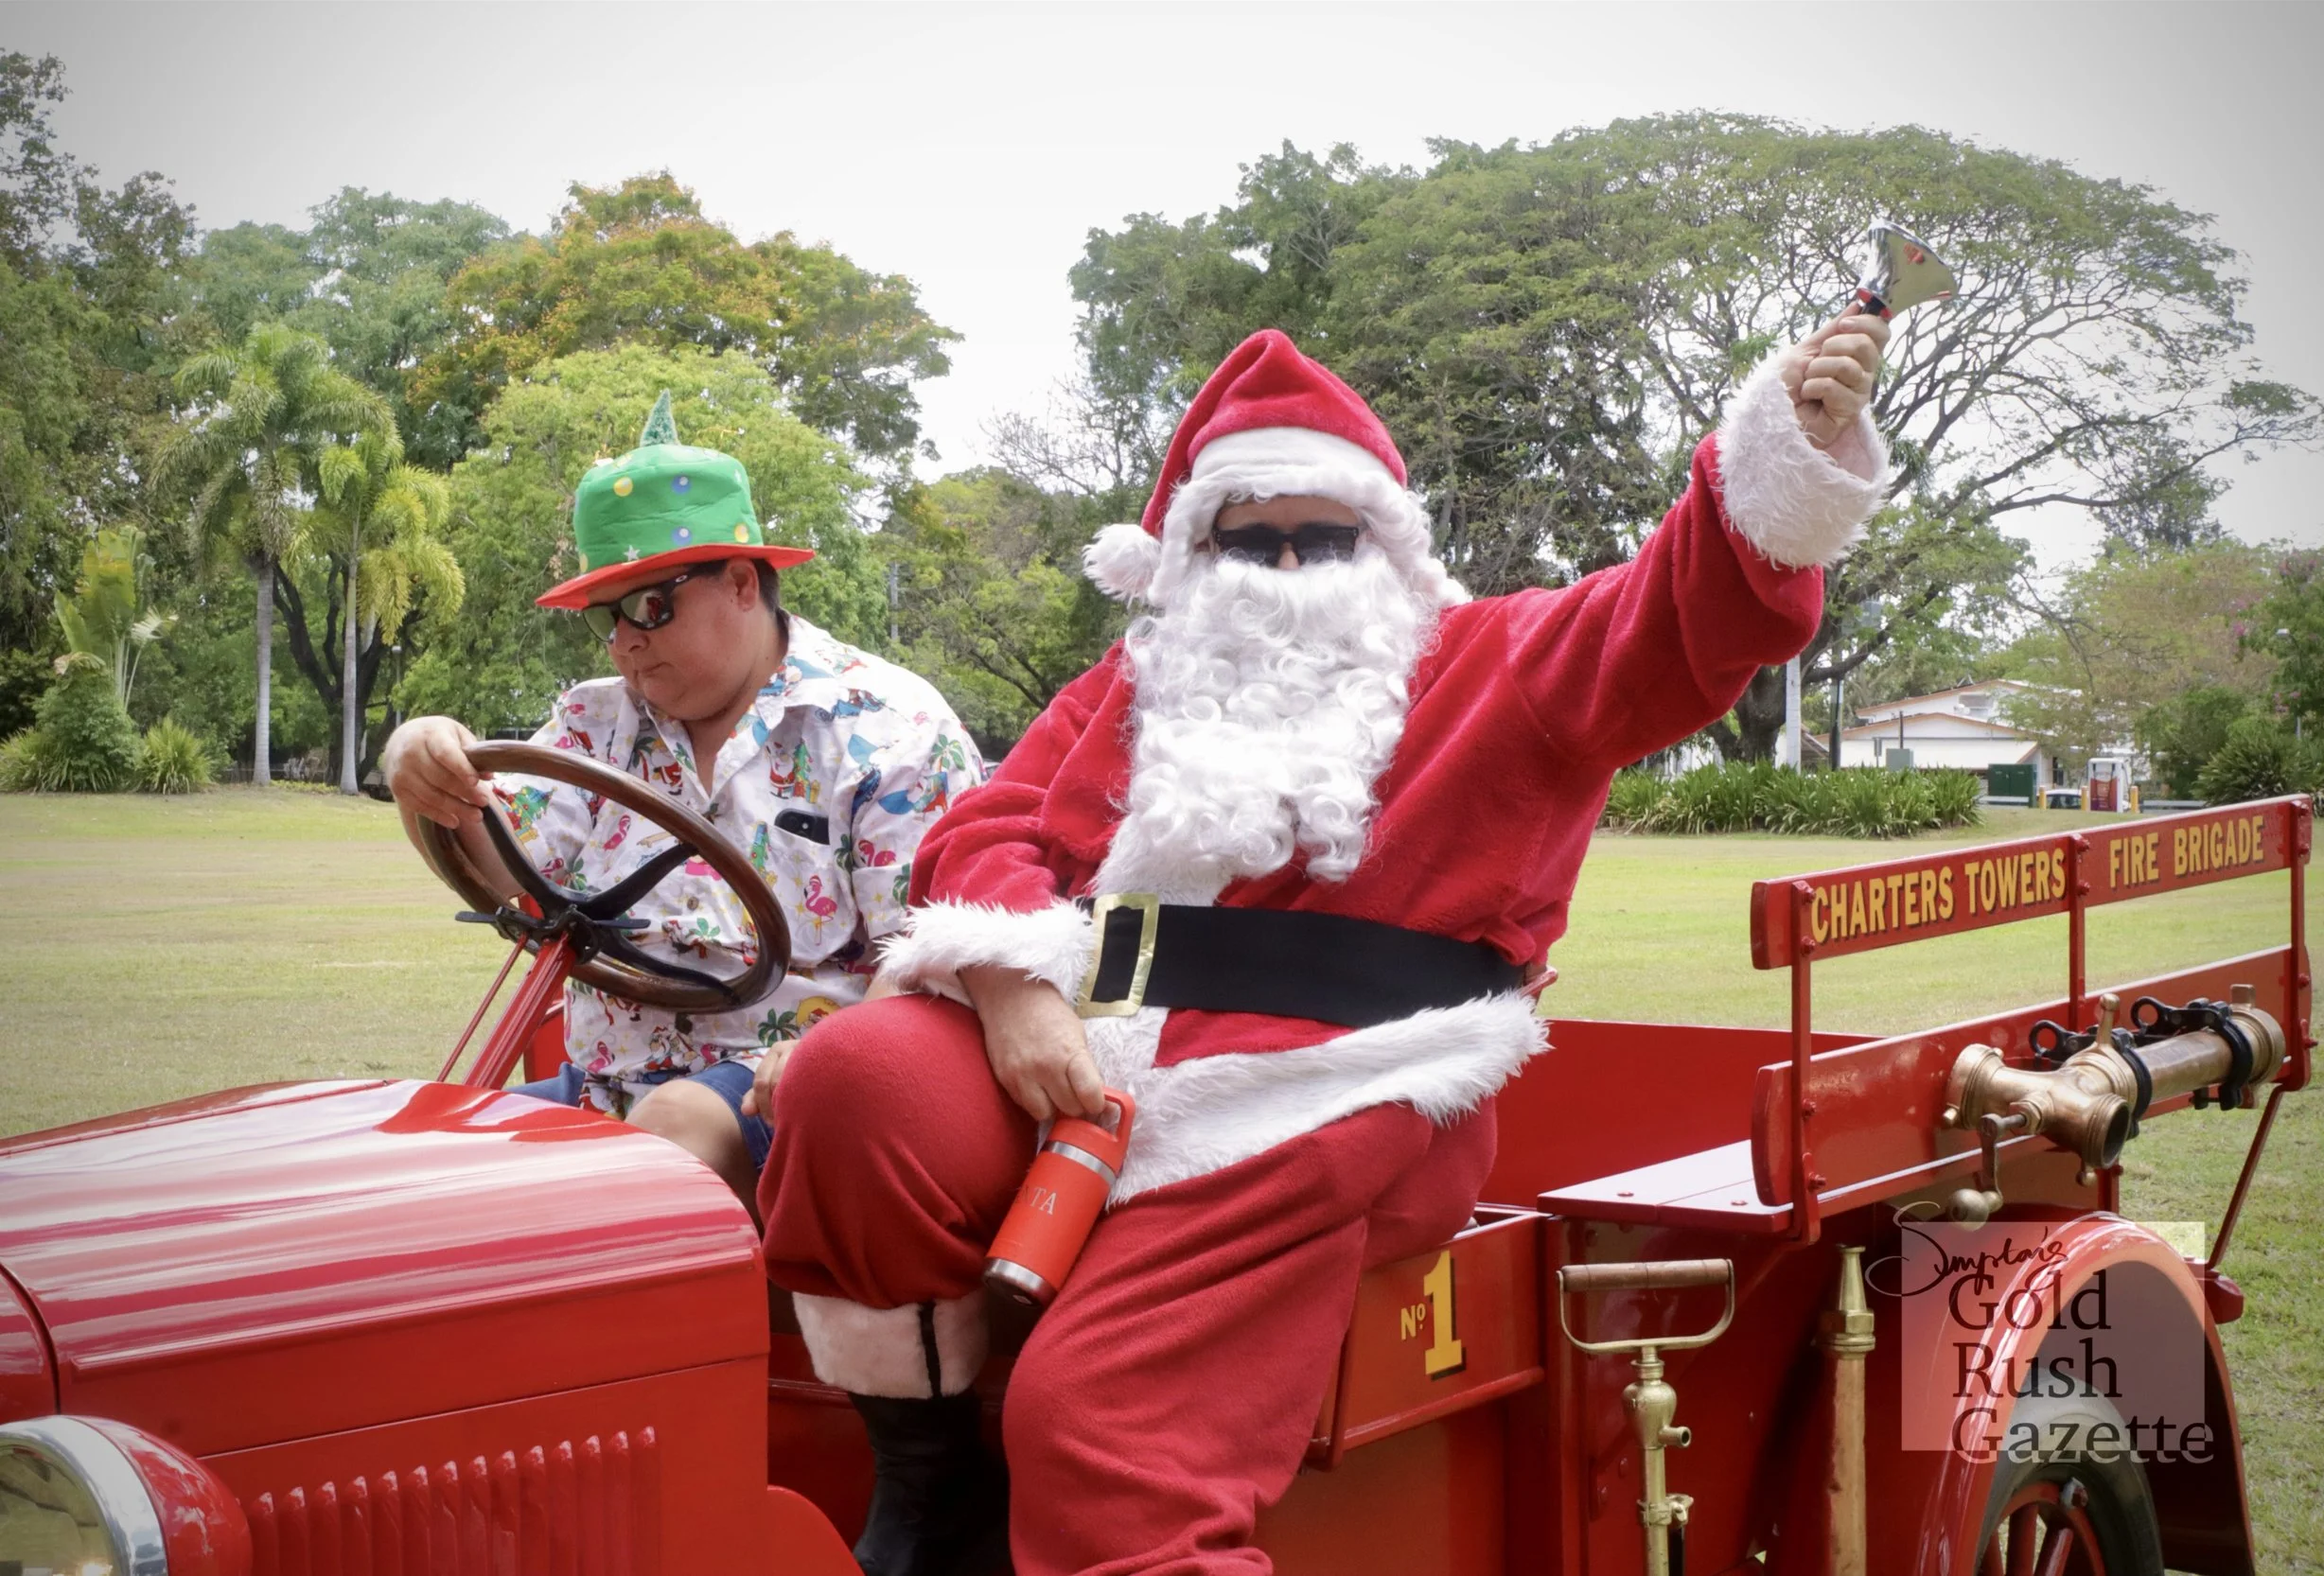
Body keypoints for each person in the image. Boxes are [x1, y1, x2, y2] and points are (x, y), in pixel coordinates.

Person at [754, 316, 1893, 1576]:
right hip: (1094, 1050)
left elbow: (1669, 622)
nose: (1286, 567)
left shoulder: (1489, 661)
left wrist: (1789, 443)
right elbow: (991, 823)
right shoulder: (1132, 687)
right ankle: (933, 1488)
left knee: (1095, 1426)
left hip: (1330, 1087)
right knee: (851, 1082)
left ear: (1383, 544)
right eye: (1252, 538)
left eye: (1324, 535)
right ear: (1192, 552)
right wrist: (1012, 979)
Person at [384, 394, 982, 1212]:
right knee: (414, 1167)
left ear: (741, 583)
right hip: (605, 1086)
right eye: (605, 615)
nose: (624, 639)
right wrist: (426, 772)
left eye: (649, 605)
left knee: (672, 1133)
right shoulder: (593, 722)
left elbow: (928, 958)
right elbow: (502, 864)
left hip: (797, 1098)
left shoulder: (893, 731)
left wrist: (831, 1062)